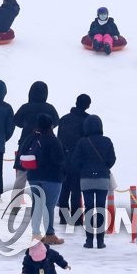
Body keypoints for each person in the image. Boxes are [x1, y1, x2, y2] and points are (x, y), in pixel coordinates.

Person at [69, 115, 116, 249]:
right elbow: (112, 159)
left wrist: (84, 169)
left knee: (89, 208)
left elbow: (75, 161)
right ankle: (100, 241)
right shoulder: (107, 141)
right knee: (101, 208)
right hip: (102, 178)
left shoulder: (82, 142)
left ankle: (89, 240)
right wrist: (103, 167)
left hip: (86, 179)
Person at [25, 113, 67, 244]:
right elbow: (59, 160)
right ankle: (49, 234)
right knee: (49, 206)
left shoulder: (32, 138)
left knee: (37, 205)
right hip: (52, 178)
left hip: (33, 176)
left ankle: (36, 234)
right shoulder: (53, 140)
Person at [13, 81, 60, 192]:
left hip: (26, 143)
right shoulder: (50, 108)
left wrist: (26, 125)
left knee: (21, 175)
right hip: (45, 144)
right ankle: (40, 204)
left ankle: (15, 204)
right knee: (41, 175)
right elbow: (56, 122)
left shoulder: (26, 107)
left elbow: (16, 121)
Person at [57, 94, 92, 226]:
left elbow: (59, 139)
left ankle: (63, 218)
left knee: (64, 190)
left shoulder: (64, 119)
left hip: (64, 159)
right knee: (76, 191)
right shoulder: (87, 120)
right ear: (88, 105)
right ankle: (76, 219)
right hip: (78, 161)